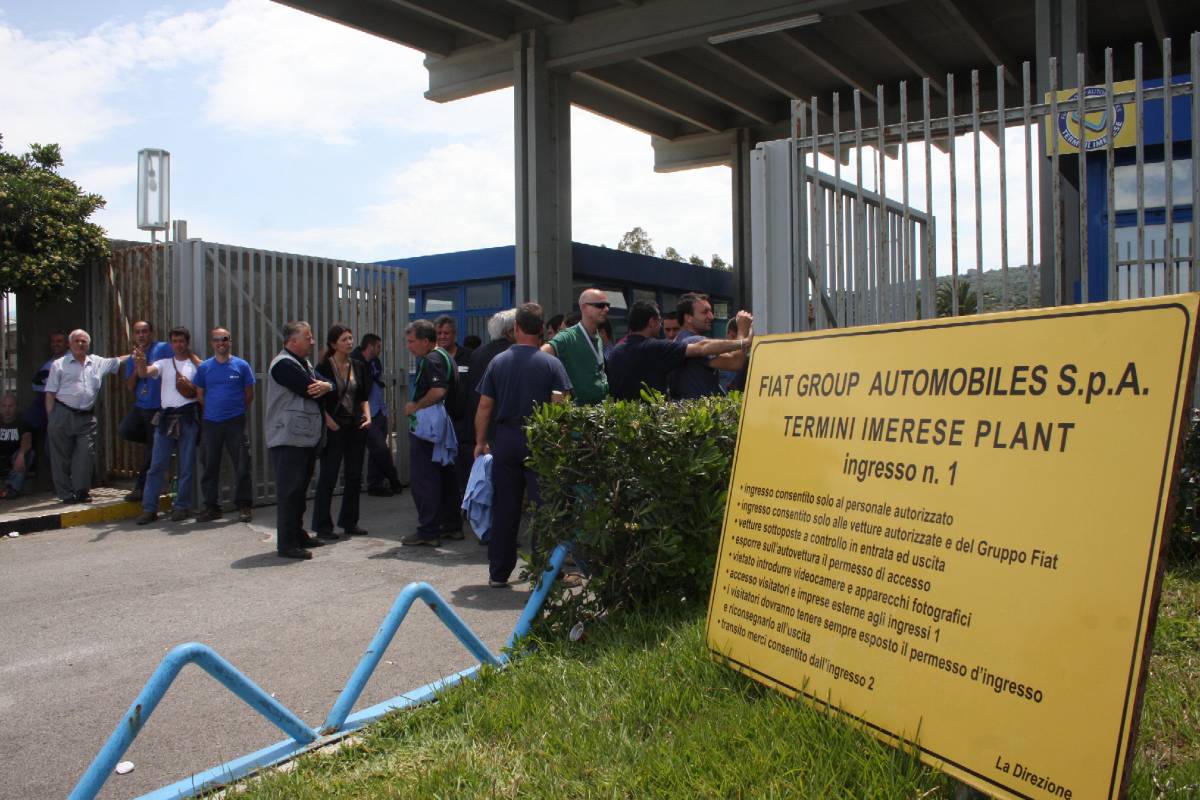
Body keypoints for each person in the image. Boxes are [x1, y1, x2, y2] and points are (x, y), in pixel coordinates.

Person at [474, 303, 571, 587]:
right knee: (544, 507)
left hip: (504, 439)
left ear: (515, 329)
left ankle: (498, 573)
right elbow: (559, 406)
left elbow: (484, 406)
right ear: (541, 329)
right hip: (539, 439)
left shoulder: (498, 362)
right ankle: (545, 572)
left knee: (506, 507)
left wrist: (481, 441)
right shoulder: (552, 363)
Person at [266, 321, 335, 560]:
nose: (313, 341)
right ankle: (286, 543)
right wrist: (325, 386)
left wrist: (327, 385)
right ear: (293, 341)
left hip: (303, 437)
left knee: (300, 489)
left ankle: (297, 533)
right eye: (308, 337)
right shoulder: (283, 364)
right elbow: (310, 388)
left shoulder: (303, 363)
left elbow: (328, 384)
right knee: (290, 491)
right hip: (288, 438)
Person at [44, 329, 130, 503]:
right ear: (70, 344)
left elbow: (118, 361)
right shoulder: (59, 364)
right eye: (76, 341)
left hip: (87, 417)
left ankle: (82, 491)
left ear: (88, 344)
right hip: (62, 413)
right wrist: (51, 419)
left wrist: (137, 354)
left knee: (85, 454)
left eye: (83, 341)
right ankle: (65, 494)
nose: (80, 344)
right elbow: (50, 394)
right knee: (61, 457)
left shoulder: (97, 362)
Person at [607, 302, 753, 401]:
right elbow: (702, 348)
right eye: (660, 321)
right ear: (652, 322)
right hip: (650, 427)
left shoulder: (615, 351)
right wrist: (743, 341)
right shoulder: (655, 348)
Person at [134, 327, 201, 524]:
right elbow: (145, 373)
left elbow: (204, 384)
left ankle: (181, 506)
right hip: (166, 418)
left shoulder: (196, 365)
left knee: (186, 465)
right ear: (170, 343)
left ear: (187, 343)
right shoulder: (163, 363)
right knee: (156, 465)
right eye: (175, 341)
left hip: (188, 417)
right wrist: (140, 363)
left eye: (181, 341)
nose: (178, 345)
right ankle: (149, 508)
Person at [401, 319, 459, 547]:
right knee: (444, 477)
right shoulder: (445, 356)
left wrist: (415, 406)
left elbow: (437, 390)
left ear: (426, 341)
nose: (409, 346)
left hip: (429, 429)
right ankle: (451, 526)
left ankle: (428, 530)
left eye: (412, 341)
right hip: (443, 427)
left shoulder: (432, 359)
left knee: (425, 479)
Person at [311, 324, 372, 540]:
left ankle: (349, 521)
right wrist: (329, 422)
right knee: (329, 475)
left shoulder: (358, 365)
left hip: (356, 425)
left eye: (350, 338)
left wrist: (368, 416)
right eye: (344, 339)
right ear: (333, 343)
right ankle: (322, 525)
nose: (349, 342)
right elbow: (316, 400)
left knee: (354, 475)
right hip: (334, 425)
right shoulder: (324, 367)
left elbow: (364, 396)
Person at [193, 327, 256, 523]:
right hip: (212, 423)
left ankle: (244, 505)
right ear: (212, 343)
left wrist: (234, 410)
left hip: (235, 422)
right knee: (210, 465)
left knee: (242, 464)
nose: (221, 343)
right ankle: (212, 507)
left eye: (225, 339)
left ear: (230, 341)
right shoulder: (204, 368)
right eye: (217, 340)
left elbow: (249, 395)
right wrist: (215, 410)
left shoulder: (242, 366)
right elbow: (200, 395)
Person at [122, 321, 174, 503]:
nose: (141, 335)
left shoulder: (163, 348)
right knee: (125, 430)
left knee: (151, 450)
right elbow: (129, 387)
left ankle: (140, 488)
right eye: (137, 332)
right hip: (141, 406)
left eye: (144, 331)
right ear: (134, 336)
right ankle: (159, 442)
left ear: (151, 333)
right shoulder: (132, 358)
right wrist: (137, 367)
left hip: (158, 407)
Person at [670, 293, 753, 400]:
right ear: (688, 318)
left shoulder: (679, 340)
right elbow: (735, 362)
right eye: (705, 312)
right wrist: (743, 330)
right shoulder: (693, 341)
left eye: (710, 311)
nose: (711, 316)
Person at [435, 315, 474, 536]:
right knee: (446, 468)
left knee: (465, 467)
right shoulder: (434, 358)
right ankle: (449, 510)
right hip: (442, 423)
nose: (442, 337)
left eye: (446, 333)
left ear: (454, 334)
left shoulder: (469, 357)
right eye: (439, 333)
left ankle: (468, 507)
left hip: (464, 424)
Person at [352, 333, 403, 497]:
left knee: (377, 450)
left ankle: (375, 484)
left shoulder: (375, 363)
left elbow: (376, 387)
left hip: (378, 411)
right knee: (380, 449)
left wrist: (385, 411)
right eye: (378, 346)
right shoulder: (355, 362)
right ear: (370, 346)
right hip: (366, 413)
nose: (380, 350)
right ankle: (393, 479)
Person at [541, 288, 609, 405]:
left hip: (598, 411)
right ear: (584, 307)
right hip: (579, 414)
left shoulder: (597, 335)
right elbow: (542, 354)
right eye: (600, 305)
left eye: (607, 305)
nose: (606, 309)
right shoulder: (568, 336)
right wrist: (561, 383)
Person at [0, 394, 34, 499]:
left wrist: (21, 455)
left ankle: (12, 488)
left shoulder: (22, 422)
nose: (7, 410)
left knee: (29, 453)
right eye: (4, 406)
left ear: (17, 407)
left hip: (15, 459)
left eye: (10, 406)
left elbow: (27, 440)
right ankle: (8, 487)